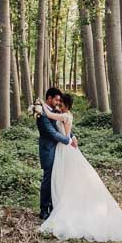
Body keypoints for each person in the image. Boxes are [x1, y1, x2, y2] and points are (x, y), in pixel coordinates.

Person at [38, 92, 122, 242]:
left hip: (64, 149)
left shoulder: (62, 115)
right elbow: (62, 127)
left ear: (65, 105)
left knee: (66, 178)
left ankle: (61, 206)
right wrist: (71, 136)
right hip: (62, 149)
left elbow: (53, 120)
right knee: (61, 178)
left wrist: (40, 106)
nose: (58, 105)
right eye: (57, 102)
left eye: (61, 103)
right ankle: (53, 206)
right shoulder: (64, 114)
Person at [37, 87, 76, 220]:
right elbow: (52, 133)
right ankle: (43, 209)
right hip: (48, 150)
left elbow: (63, 124)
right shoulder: (42, 114)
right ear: (49, 98)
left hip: (60, 150)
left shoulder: (56, 111)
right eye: (57, 99)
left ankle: (56, 206)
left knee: (58, 178)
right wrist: (67, 140)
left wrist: (72, 136)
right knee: (48, 180)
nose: (59, 102)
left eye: (60, 101)